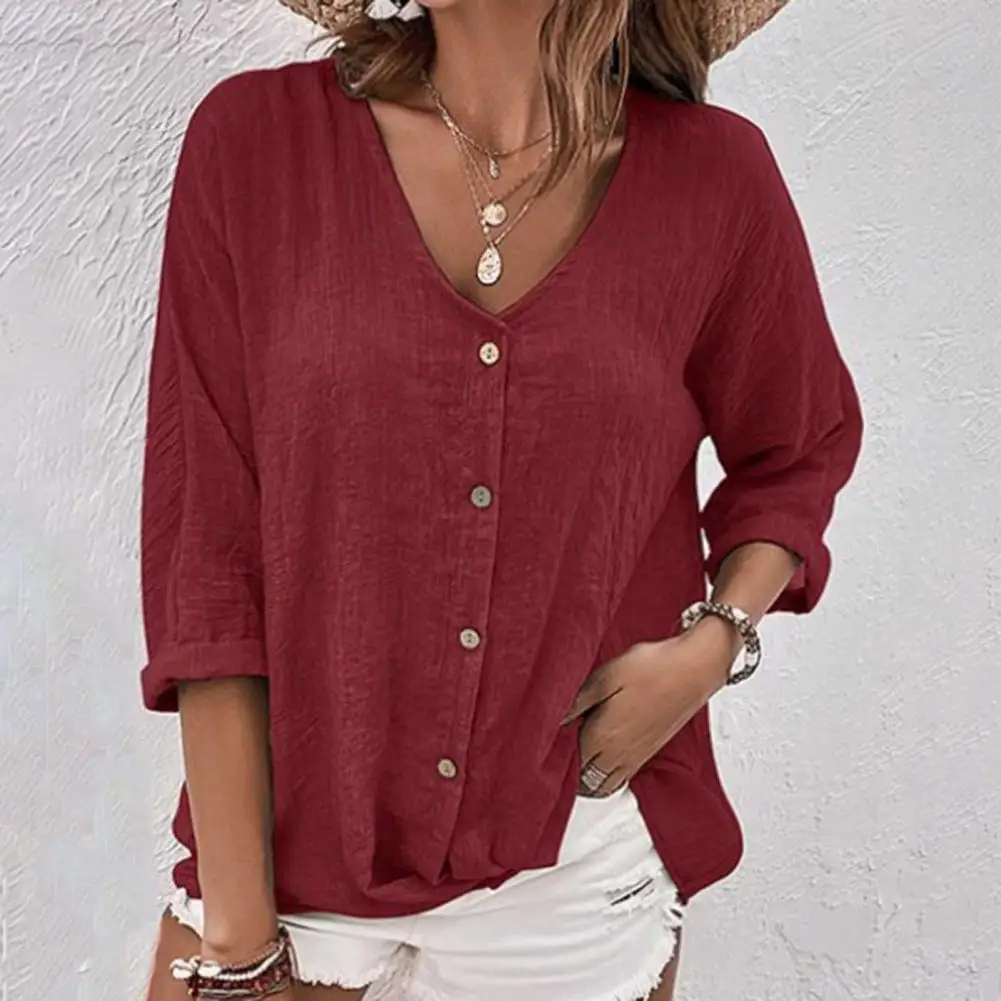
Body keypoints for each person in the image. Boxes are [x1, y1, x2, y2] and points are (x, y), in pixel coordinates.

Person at [140, 0, 863, 997]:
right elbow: (206, 545)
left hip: (577, 871)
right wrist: (237, 937)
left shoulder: (716, 179)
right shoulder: (255, 144)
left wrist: (711, 645)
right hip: (284, 855)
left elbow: (794, 447)